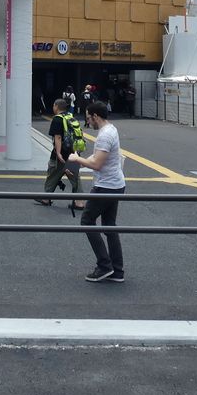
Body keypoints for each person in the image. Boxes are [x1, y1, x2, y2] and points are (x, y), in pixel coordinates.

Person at [67, 100, 126, 283]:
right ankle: (117, 271)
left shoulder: (104, 136)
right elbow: (98, 157)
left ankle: (104, 266)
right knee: (109, 226)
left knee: (87, 220)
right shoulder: (111, 129)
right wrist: (81, 163)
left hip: (106, 186)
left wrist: (77, 160)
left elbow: (97, 164)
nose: (87, 121)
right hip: (115, 184)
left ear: (95, 116)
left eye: (88, 118)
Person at [35, 97, 82, 206]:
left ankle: (46, 198)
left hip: (60, 154)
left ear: (56, 106)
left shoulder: (57, 119)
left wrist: (59, 153)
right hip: (73, 153)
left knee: (52, 173)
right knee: (74, 176)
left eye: (53, 105)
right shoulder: (71, 117)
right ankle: (79, 202)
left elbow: (58, 137)